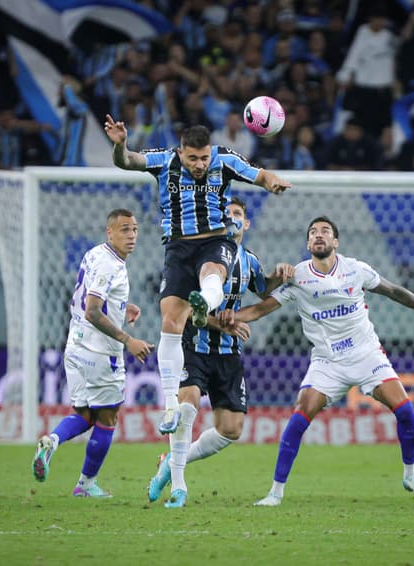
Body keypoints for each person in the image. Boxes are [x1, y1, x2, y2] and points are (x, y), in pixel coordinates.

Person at [219, 216, 414, 506]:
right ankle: (275, 493)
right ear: (308, 243)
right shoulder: (298, 276)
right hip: (328, 362)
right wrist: (229, 318)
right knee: (300, 415)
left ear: (335, 242)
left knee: (405, 410)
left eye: (325, 231)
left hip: (365, 353)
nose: (318, 235)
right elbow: (259, 310)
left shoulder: (355, 269)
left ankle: (410, 475)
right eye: (313, 232)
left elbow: (394, 290)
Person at [104, 116, 291, 436]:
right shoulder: (164, 161)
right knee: (170, 323)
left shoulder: (225, 159)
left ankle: (204, 302)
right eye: (193, 158)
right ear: (181, 152)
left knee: (212, 275)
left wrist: (272, 181)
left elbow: (259, 174)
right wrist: (121, 144)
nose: (200, 164)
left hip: (215, 240)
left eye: (204, 157)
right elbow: (128, 161)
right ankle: (169, 406)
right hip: (177, 248)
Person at [146, 197, 294, 508]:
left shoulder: (249, 261)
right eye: (227, 213)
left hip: (228, 354)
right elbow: (182, 308)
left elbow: (264, 290)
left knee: (231, 429)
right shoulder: (199, 257)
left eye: (238, 214)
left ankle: (171, 459)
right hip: (194, 345)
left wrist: (280, 277)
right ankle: (179, 483)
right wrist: (219, 323)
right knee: (186, 407)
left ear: (247, 222)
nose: (232, 218)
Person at [31, 209, 154, 497]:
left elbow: (93, 294)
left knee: (84, 414)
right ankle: (85, 485)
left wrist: (124, 306)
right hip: (101, 353)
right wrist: (128, 340)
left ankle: (52, 440)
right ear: (109, 232)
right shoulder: (111, 265)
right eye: (124, 230)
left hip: (74, 346)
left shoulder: (95, 254)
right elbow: (93, 310)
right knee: (108, 418)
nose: (132, 236)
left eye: (134, 229)